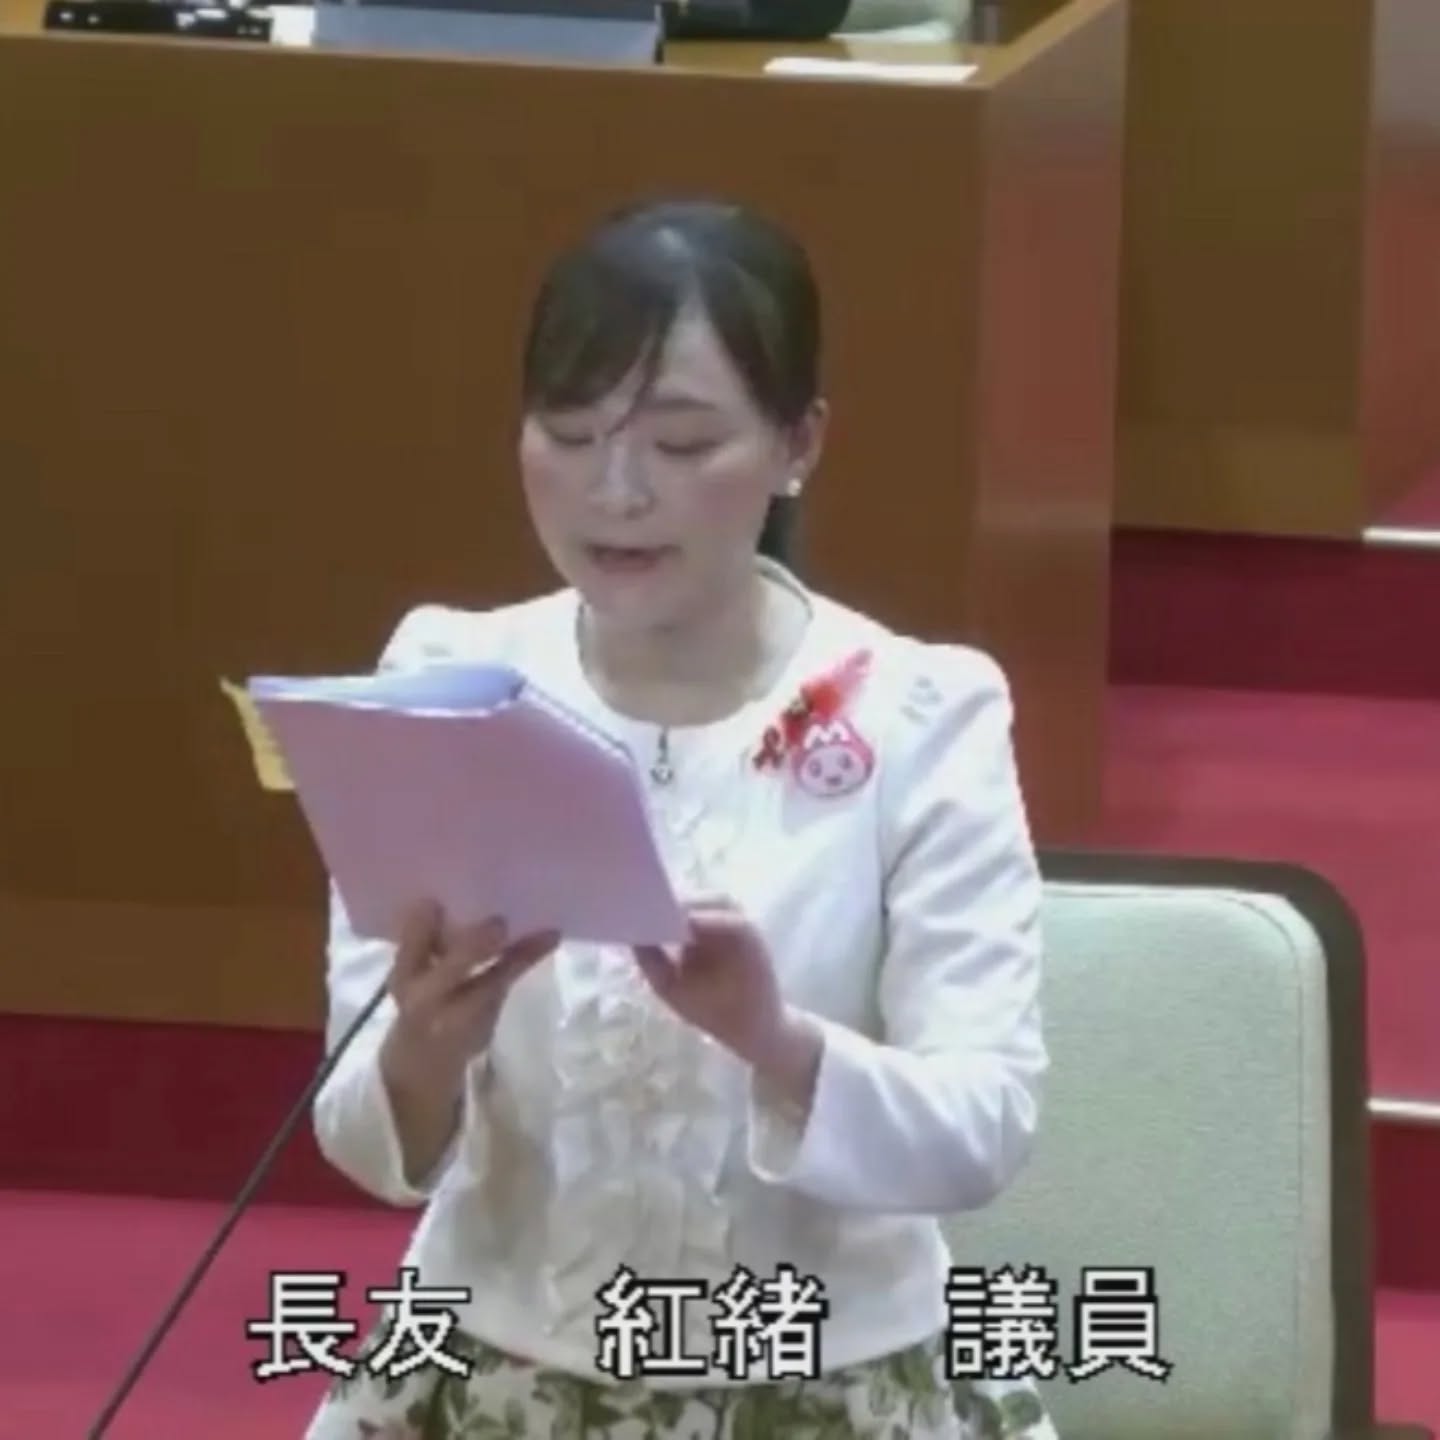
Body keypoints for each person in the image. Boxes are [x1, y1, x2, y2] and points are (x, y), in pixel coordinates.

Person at [304, 198, 1055, 1440]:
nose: (615, 490)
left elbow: (983, 1129)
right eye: (570, 433)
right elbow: (361, 1137)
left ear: (799, 442)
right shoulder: (448, 682)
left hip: (828, 1388)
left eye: (682, 442)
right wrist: (423, 1048)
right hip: (492, 1379)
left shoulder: (922, 714)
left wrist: (774, 1039)